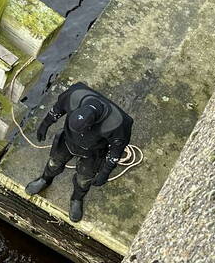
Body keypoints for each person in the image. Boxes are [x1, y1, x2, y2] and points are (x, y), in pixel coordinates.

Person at [24, 82, 133, 222]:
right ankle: (45, 179)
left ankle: (77, 198)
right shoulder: (74, 95)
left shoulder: (117, 123)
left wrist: (105, 172)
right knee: (54, 163)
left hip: (93, 152)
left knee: (84, 179)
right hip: (67, 139)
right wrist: (45, 123)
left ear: (90, 126)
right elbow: (57, 108)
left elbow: (116, 151)